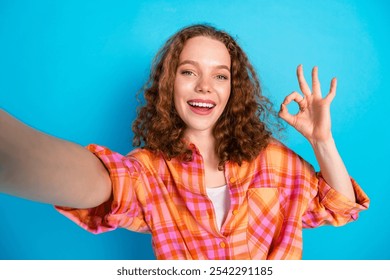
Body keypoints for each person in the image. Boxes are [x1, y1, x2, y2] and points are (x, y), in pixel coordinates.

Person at [0, 24, 369, 259]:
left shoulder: (271, 159)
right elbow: (105, 182)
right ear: (169, 84)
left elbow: (339, 208)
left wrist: (322, 141)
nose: (205, 86)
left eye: (220, 76)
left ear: (232, 90)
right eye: (189, 71)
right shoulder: (148, 170)